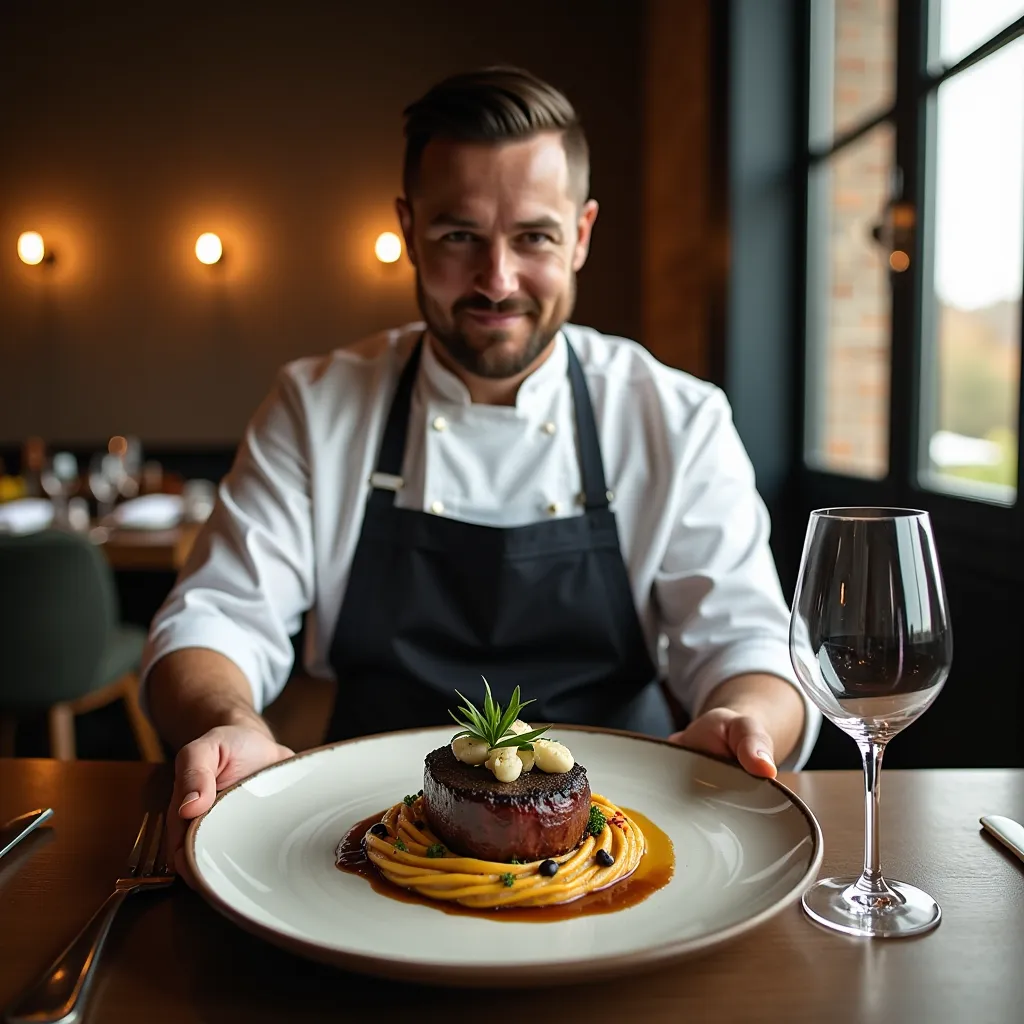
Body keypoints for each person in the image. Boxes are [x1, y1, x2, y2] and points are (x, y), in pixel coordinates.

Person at [143, 67, 820, 877]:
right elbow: (216, 618)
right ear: (409, 228)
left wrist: (746, 715)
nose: (497, 280)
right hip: (356, 844)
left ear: (581, 234)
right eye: (459, 235)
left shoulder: (675, 417)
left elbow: (751, 642)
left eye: (534, 237)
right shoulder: (315, 406)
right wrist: (229, 721)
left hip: (622, 845)